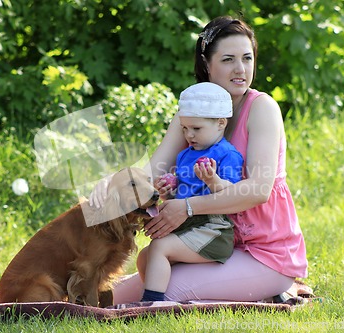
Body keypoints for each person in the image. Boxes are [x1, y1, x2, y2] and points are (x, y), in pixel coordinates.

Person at [91, 15, 308, 303]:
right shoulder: (192, 113)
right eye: (228, 59)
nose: (241, 69)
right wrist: (112, 186)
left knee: (164, 292)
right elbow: (154, 172)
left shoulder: (261, 107)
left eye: (247, 58)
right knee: (106, 298)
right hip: (206, 242)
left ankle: (274, 286)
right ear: (207, 64)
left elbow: (258, 190)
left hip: (264, 252)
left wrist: (188, 207)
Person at [138, 82, 243, 302]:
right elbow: (182, 197)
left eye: (196, 128)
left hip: (213, 229)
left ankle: (151, 304)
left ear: (221, 123)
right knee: (144, 257)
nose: (189, 135)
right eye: (185, 128)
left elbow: (231, 193)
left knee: (159, 247)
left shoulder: (227, 154)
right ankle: (162, 294)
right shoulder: (186, 155)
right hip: (187, 224)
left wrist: (212, 179)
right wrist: (169, 191)